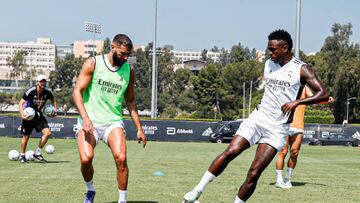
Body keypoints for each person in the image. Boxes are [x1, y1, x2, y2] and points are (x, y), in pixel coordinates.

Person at [183, 29, 330, 203]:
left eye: (273, 49)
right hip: (258, 119)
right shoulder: (269, 64)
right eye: (268, 49)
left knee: (254, 172)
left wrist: (297, 102)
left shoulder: (301, 69)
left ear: (285, 48)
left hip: (277, 128)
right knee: (231, 151)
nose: (270, 53)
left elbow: (324, 93)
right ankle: (197, 191)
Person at [72, 34, 147, 203]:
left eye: (128, 54)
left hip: (113, 122)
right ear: (113, 47)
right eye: (122, 54)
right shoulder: (94, 63)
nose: (125, 58)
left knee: (121, 158)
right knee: (86, 159)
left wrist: (139, 128)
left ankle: (122, 200)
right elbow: (77, 91)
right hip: (89, 120)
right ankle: (90, 189)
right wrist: (85, 118)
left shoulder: (129, 70)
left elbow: (131, 100)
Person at [275, 87, 334, 188]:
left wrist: (325, 100)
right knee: (283, 152)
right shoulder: (286, 84)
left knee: (294, 152)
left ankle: (287, 179)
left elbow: (313, 99)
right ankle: (279, 179)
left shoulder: (304, 88)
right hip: (283, 124)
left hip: (298, 125)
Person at [18, 74, 57, 163]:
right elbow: (20, 103)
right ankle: (22, 156)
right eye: (41, 81)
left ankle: (38, 153)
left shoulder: (48, 93)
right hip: (29, 115)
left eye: (44, 81)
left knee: (47, 133)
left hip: (39, 115)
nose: (43, 83)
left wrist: (55, 111)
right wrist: (22, 114)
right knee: (26, 136)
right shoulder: (30, 91)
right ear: (37, 82)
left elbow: (53, 101)